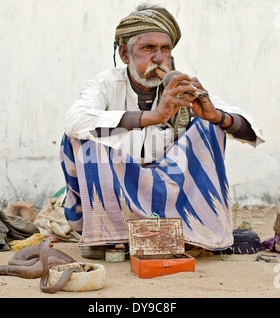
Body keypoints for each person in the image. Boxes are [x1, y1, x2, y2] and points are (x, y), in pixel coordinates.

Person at [60, 4, 264, 253]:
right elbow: (74, 120)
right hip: (117, 199)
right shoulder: (105, 84)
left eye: (164, 49)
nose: (158, 58)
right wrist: (152, 116)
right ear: (125, 54)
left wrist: (217, 116)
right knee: (84, 134)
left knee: (212, 126)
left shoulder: (181, 87)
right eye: (148, 48)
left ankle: (188, 231)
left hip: (168, 202)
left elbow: (251, 128)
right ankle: (107, 237)